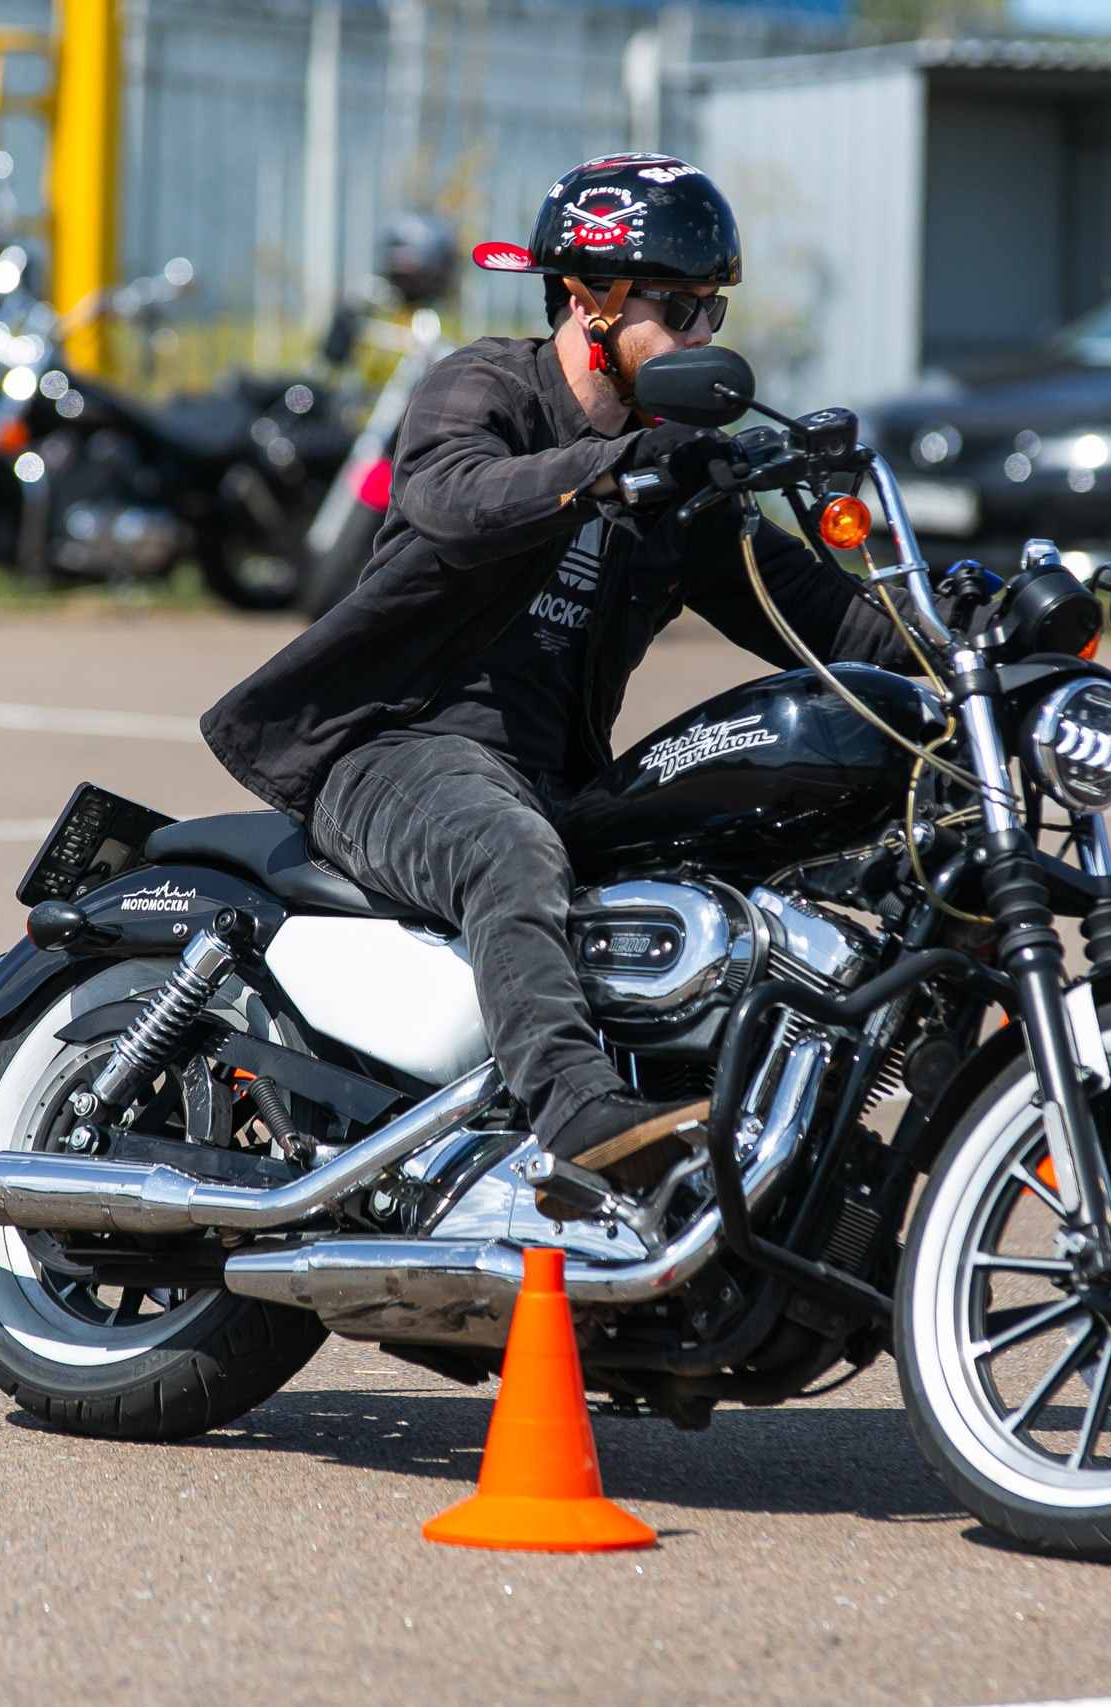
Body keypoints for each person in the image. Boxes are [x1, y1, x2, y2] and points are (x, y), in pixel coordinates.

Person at [201, 153, 913, 1205]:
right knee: (507, 846)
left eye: (713, 310)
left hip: (552, 779)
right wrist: (611, 472)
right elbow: (452, 497)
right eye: (679, 308)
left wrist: (973, 631)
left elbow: (818, 610)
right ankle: (579, 1114)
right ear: (590, 298)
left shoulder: (674, 475)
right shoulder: (485, 386)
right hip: (392, 749)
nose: (703, 335)